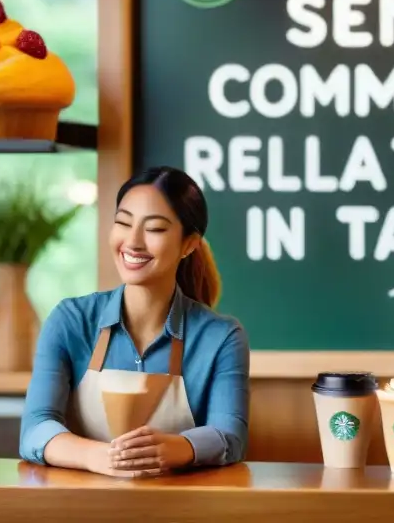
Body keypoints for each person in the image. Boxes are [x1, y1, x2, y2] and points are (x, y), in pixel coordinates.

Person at [19, 166, 250, 477]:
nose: (133, 241)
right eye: (123, 223)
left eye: (154, 229)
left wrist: (173, 448)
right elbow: (35, 429)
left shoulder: (221, 337)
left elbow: (229, 436)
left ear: (189, 244)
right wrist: (99, 457)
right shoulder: (71, 321)